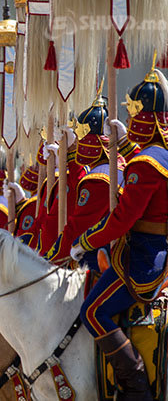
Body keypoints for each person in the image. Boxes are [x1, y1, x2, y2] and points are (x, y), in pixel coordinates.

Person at [71, 63, 168, 400]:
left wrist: (85, 240)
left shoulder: (146, 164)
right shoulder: (158, 156)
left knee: (92, 312)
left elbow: (122, 221)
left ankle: (136, 386)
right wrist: (124, 146)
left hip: (143, 256)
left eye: (133, 112)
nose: (128, 118)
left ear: (144, 116)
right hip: (155, 248)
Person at [45, 90, 137, 267]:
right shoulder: (115, 167)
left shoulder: (99, 180)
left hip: (105, 256)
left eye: (81, 138)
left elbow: (77, 228)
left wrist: (50, 261)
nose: (79, 144)